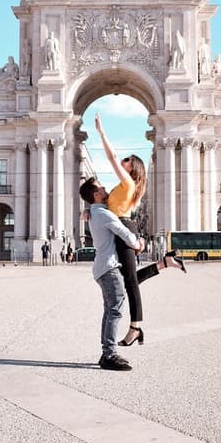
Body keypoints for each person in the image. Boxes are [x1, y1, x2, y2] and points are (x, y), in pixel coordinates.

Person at [95, 113, 184, 348]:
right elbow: (109, 206)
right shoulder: (126, 187)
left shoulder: (128, 183)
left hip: (123, 228)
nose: (121, 161)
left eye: (126, 160)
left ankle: (135, 327)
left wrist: (101, 132)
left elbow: (111, 156)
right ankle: (165, 263)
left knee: (130, 283)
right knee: (129, 280)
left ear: (132, 167)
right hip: (122, 227)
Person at [80, 177, 144, 371]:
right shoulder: (104, 214)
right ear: (96, 194)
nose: (106, 188)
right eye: (101, 187)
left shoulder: (95, 212)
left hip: (103, 267)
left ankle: (107, 353)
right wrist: (138, 244)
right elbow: (123, 232)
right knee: (115, 309)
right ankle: (109, 354)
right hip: (109, 267)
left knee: (110, 310)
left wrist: (88, 210)